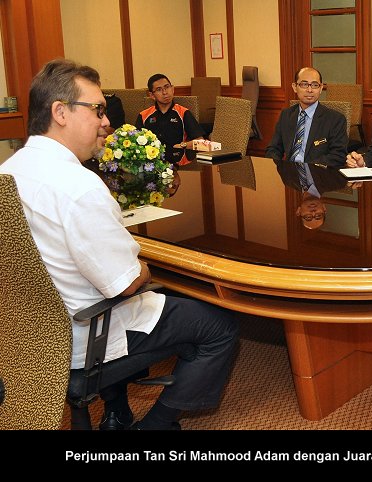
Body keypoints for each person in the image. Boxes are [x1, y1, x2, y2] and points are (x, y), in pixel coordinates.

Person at [0, 59, 239, 430]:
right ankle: (157, 424)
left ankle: (118, 410)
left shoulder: (10, 171)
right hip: (85, 335)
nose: (106, 120)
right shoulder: (78, 187)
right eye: (97, 109)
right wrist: (142, 266)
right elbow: (126, 283)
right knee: (219, 326)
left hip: (29, 336)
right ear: (60, 112)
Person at [266, 67, 348, 168]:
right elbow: (273, 149)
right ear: (295, 87)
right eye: (304, 84)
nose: (309, 90)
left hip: (317, 173)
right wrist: (279, 168)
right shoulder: (286, 115)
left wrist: (306, 169)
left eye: (315, 85)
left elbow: (338, 155)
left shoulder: (335, 119)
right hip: (289, 173)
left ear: (321, 88)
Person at [135, 73, 205, 165]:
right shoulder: (144, 115)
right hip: (152, 165)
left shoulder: (183, 113)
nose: (165, 92)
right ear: (152, 95)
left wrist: (183, 145)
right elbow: (136, 144)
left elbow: (201, 143)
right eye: (159, 89)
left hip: (179, 163)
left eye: (167, 87)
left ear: (172, 89)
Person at [274, 159, 348, 229]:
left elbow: (277, 156)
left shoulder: (289, 181)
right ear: (324, 208)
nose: (313, 212)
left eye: (308, 217)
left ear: (299, 211)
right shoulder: (336, 182)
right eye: (318, 215)